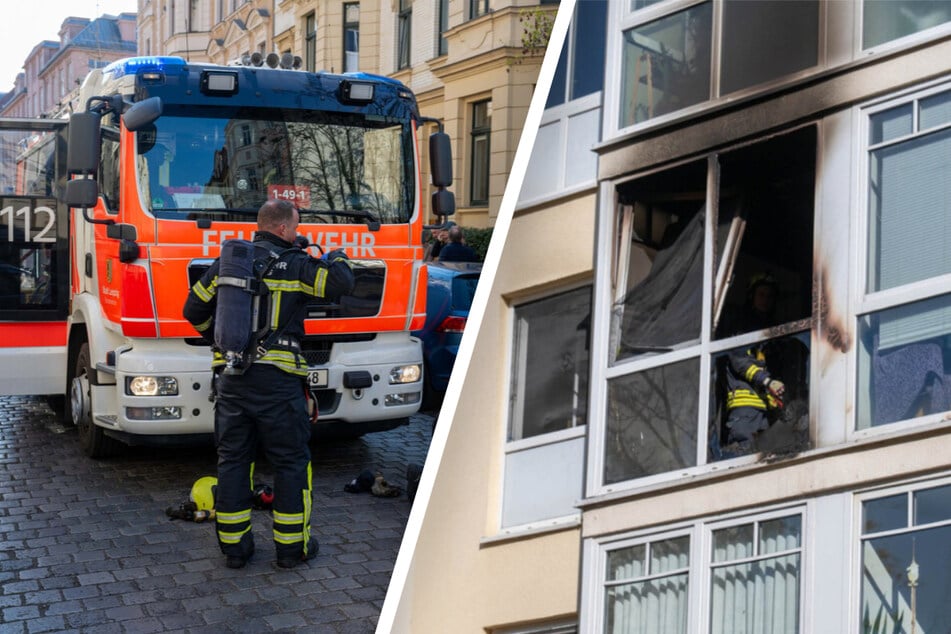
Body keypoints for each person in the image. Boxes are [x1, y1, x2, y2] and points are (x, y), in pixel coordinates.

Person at [183, 199, 354, 569]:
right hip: (278, 384)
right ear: (282, 229)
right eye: (295, 227)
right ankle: (292, 550)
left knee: (232, 461)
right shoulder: (294, 265)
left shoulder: (229, 264)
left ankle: (235, 550)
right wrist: (337, 256)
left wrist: (218, 340)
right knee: (291, 463)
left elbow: (192, 309)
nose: (298, 233)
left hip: (231, 381)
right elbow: (340, 283)